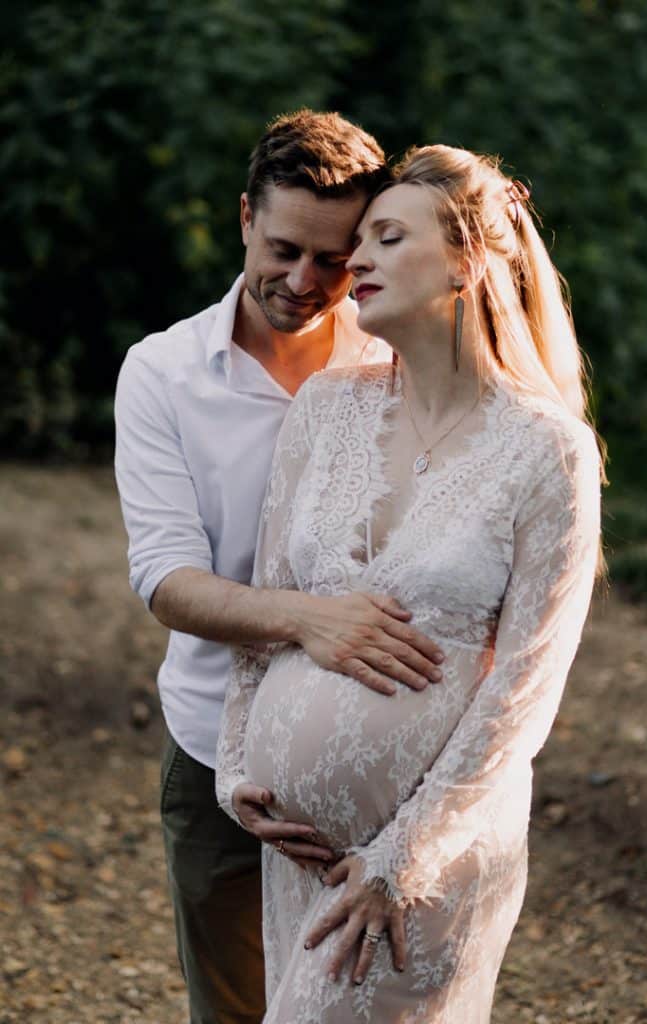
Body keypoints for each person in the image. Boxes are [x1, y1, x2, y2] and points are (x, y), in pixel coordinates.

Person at [216, 144, 603, 1022]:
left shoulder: (547, 450)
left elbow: (525, 690)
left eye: (387, 239)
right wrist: (235, 770)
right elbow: (268, 613)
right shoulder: (325, 408)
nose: (355, 261)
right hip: (300, 852)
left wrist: (404, 857)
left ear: (467, 258)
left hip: (429, 865)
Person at [114, 112, 447, 1024]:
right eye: (284, 249)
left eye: (334, 260)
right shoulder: (161, 373)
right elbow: (165, 579)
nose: (305, 283)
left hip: (380, 766)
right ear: (243, 220)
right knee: (231, 1010)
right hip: (212, 756)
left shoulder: (397, 361)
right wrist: (308, 618)